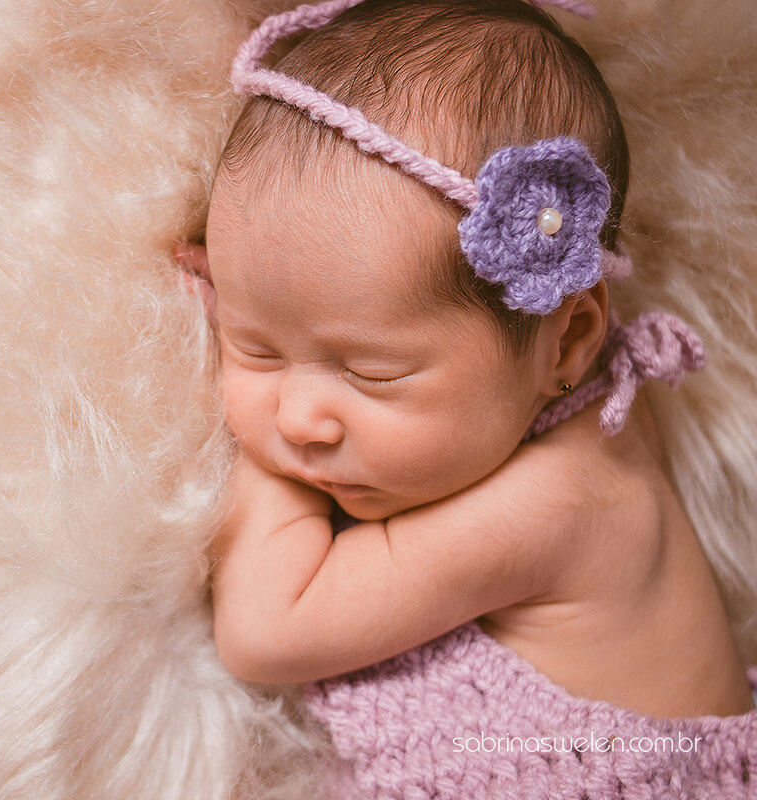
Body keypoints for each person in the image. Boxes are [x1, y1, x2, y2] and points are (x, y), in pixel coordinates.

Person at [181, 0, 757, 794]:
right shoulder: (531, 398)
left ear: (568, 340)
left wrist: (253, 461)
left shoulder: (568, 502)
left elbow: (269, 625)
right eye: (255, 347)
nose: (299, 418)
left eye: (370, 374)